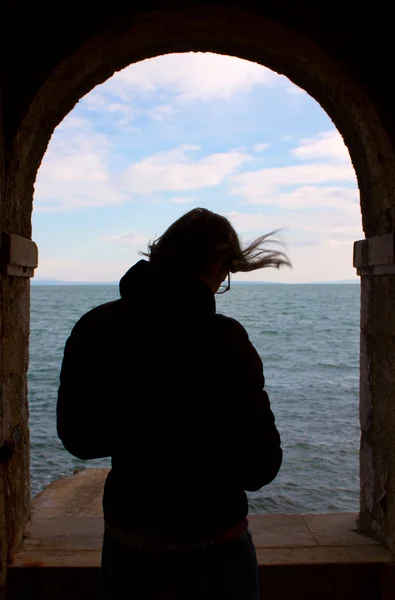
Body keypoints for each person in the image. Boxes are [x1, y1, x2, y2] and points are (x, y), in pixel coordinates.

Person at [57, 207, 290, 600]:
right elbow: (260, 467)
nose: (221, 285)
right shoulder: (225, 340)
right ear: (217, 261)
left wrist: (144, 429)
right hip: (216, 556)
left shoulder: (95, 327)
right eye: (226, 275)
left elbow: (78, 439)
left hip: (129, 552)